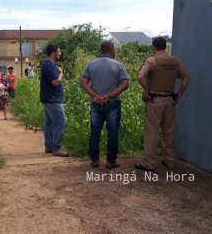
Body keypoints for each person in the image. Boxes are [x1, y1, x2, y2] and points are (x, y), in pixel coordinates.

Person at [134, 36, 190, 171]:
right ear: (165, 47)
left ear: (153, 47)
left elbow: (140, 76)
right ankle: (170, 161)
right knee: (168, 131)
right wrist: (179, 94)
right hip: (170, 100)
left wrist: (146, 89)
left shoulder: (152, 61)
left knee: (152, 132)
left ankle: (148, 162)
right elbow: (186, 77)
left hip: (154, 100)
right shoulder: (175, 61)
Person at [81, 41, 129, 169]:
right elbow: (125, 84)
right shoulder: (119, 65)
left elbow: (84, 83)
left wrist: (95, 96)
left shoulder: (91, 64)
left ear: (101, 50)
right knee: (113, 132)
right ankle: (110, 161)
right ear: (112, 50)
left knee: (95, 131)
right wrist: (109, 96)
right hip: (113, 102)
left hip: (96, 103)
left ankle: (95, 160)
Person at [40, 44, 69, 157]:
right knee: (61, 122)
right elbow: (55, 82)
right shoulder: (49, 65)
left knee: (49, 123)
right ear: (53, 53)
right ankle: (56, 148)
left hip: (48, 98)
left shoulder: (47, 64)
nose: (60, 53)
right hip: (53, 99)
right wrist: (61, 73)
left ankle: (49, 146)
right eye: (59, 51)